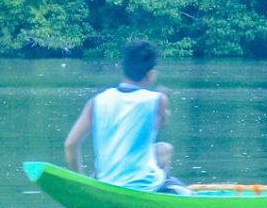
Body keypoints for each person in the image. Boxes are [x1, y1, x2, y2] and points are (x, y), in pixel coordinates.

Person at [63, 40, 186, 193]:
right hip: (144, 185)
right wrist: (164, 103)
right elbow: (161, 124)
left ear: (123, 69)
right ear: (151, 74)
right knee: (184, 191)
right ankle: (162, 194)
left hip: (106, 181)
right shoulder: (157, 99)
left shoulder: (97, 101)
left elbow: (70, 145)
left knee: (164, 150)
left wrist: (82, 185)